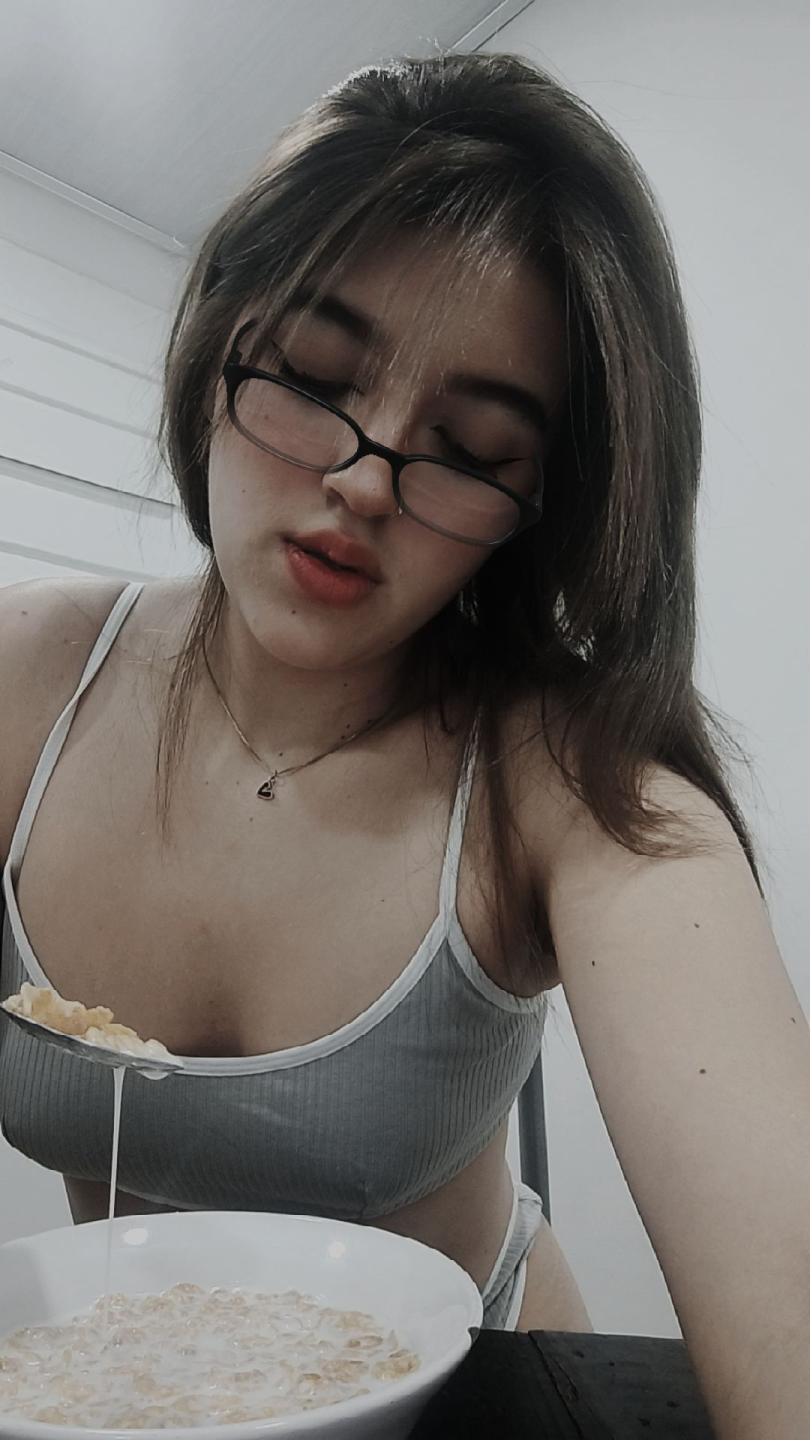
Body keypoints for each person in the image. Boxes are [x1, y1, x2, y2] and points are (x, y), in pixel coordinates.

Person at [1, 50, 808, 1436]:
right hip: (138, 1393)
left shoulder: (568, 778)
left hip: (481, 1396)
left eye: (475, 450)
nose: (363, 479)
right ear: (218, 342)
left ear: (537, 507)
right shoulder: (27, 682)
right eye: (314, 376)